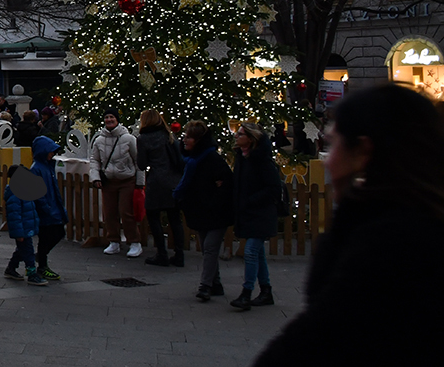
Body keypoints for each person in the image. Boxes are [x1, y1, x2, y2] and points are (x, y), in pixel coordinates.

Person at [253, 85, 444, 366]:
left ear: (362, 151)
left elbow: (317, 337)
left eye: (332, 145)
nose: (327, 161)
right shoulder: (408, 221)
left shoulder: (388, 244)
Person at [173, 120, 233, 302]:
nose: (184, 140)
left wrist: (214, 197)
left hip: (216, 212)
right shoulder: (189, 160)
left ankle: (205, 285)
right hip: (199, 210)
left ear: (198, 140)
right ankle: (216, 284)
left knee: (209, 248)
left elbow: (226, 183)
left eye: (189, 137)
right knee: (207, 248)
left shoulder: (212, 159)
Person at [229, 122, 280, 310]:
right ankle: (266, 291)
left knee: (250, 252)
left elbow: (274, 188)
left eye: (240, 134)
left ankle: (246, 292)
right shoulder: (242, 158)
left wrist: (252, 200)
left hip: (261, 213)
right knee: (257, 253)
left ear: (250, 139)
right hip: (249, 212)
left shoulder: (262, 161)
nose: (236, 136)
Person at [89, 108, 143, 257]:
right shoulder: (99, 140)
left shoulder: (129, 139)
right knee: (109, 212)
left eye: (112, 117)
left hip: (126, 180)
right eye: (106, 117)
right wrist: (96, 178)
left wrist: (140, 182)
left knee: (126, 212)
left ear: (117, 119)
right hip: (109, 181)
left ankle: (134, 241)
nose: (109, 120)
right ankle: (113, 240)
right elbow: (95, 160)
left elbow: (138, 161)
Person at [135, 108, 185, 267]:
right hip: (173, 181)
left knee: (153, 216)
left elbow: (142, 164)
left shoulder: (143, 139)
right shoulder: (168, 135)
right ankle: (179, 254)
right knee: (175, 219)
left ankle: (162, 253)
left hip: (157, 181)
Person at [30, 135, 67, 280]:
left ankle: (40, 260)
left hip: (50, 207)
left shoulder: (46, 167)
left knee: (53, 234)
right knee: (47, 237)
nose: (53, 154)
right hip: (46, 209)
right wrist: (46, 206)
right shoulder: (39, 169)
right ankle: (42, 264)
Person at [3, 165, 46, 285]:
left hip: (26, 227)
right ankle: (31, 272)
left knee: (22, 249)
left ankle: (11, 268)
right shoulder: (15, 195)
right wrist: (19, 232)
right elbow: (14, 215)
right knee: (28, 250)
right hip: (22, 228)